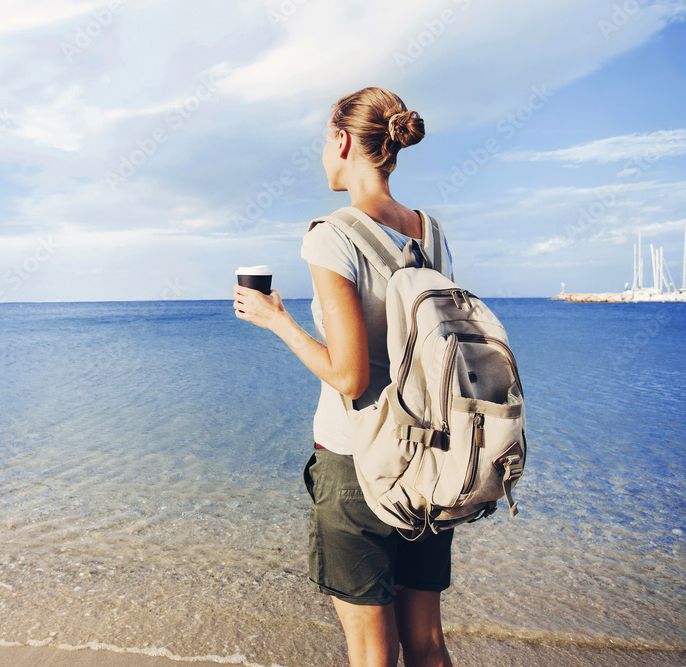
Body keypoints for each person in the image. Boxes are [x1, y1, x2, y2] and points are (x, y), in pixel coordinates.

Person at [232, 87, 456, 667]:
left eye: (324, 143)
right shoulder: (429, 233)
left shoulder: (332, 235)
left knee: (370, 650)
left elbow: (350, 377)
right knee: (427, 644)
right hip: (428, 465)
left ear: (342, 140)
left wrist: (276, 320)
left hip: (358, 463)